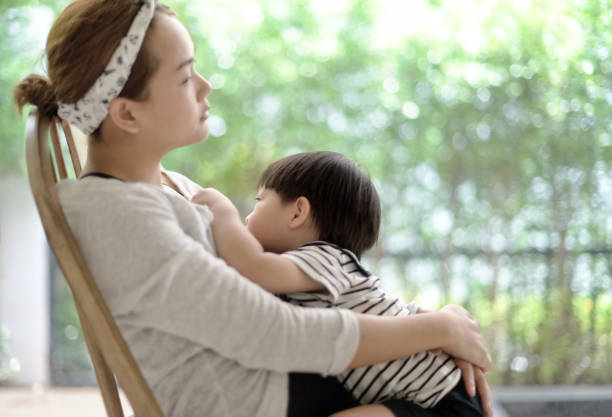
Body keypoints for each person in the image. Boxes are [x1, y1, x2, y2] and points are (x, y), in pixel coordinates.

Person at [13, 1, 492, 417]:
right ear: (126, 113)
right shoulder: (122, 217)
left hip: (292, 381)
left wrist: (432, 334)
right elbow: (275, 332)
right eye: (184, 77)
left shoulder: (160, 188)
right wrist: (436, 328)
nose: (204, 86)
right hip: (262, 397)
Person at [191, 151, 489, 417]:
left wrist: (222, 211)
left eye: (259, 201)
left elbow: (255, 268)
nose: (248, 215)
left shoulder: (326, 257)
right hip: (420, 398)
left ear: (298, 212)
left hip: (440, 400)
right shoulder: (320, 270)